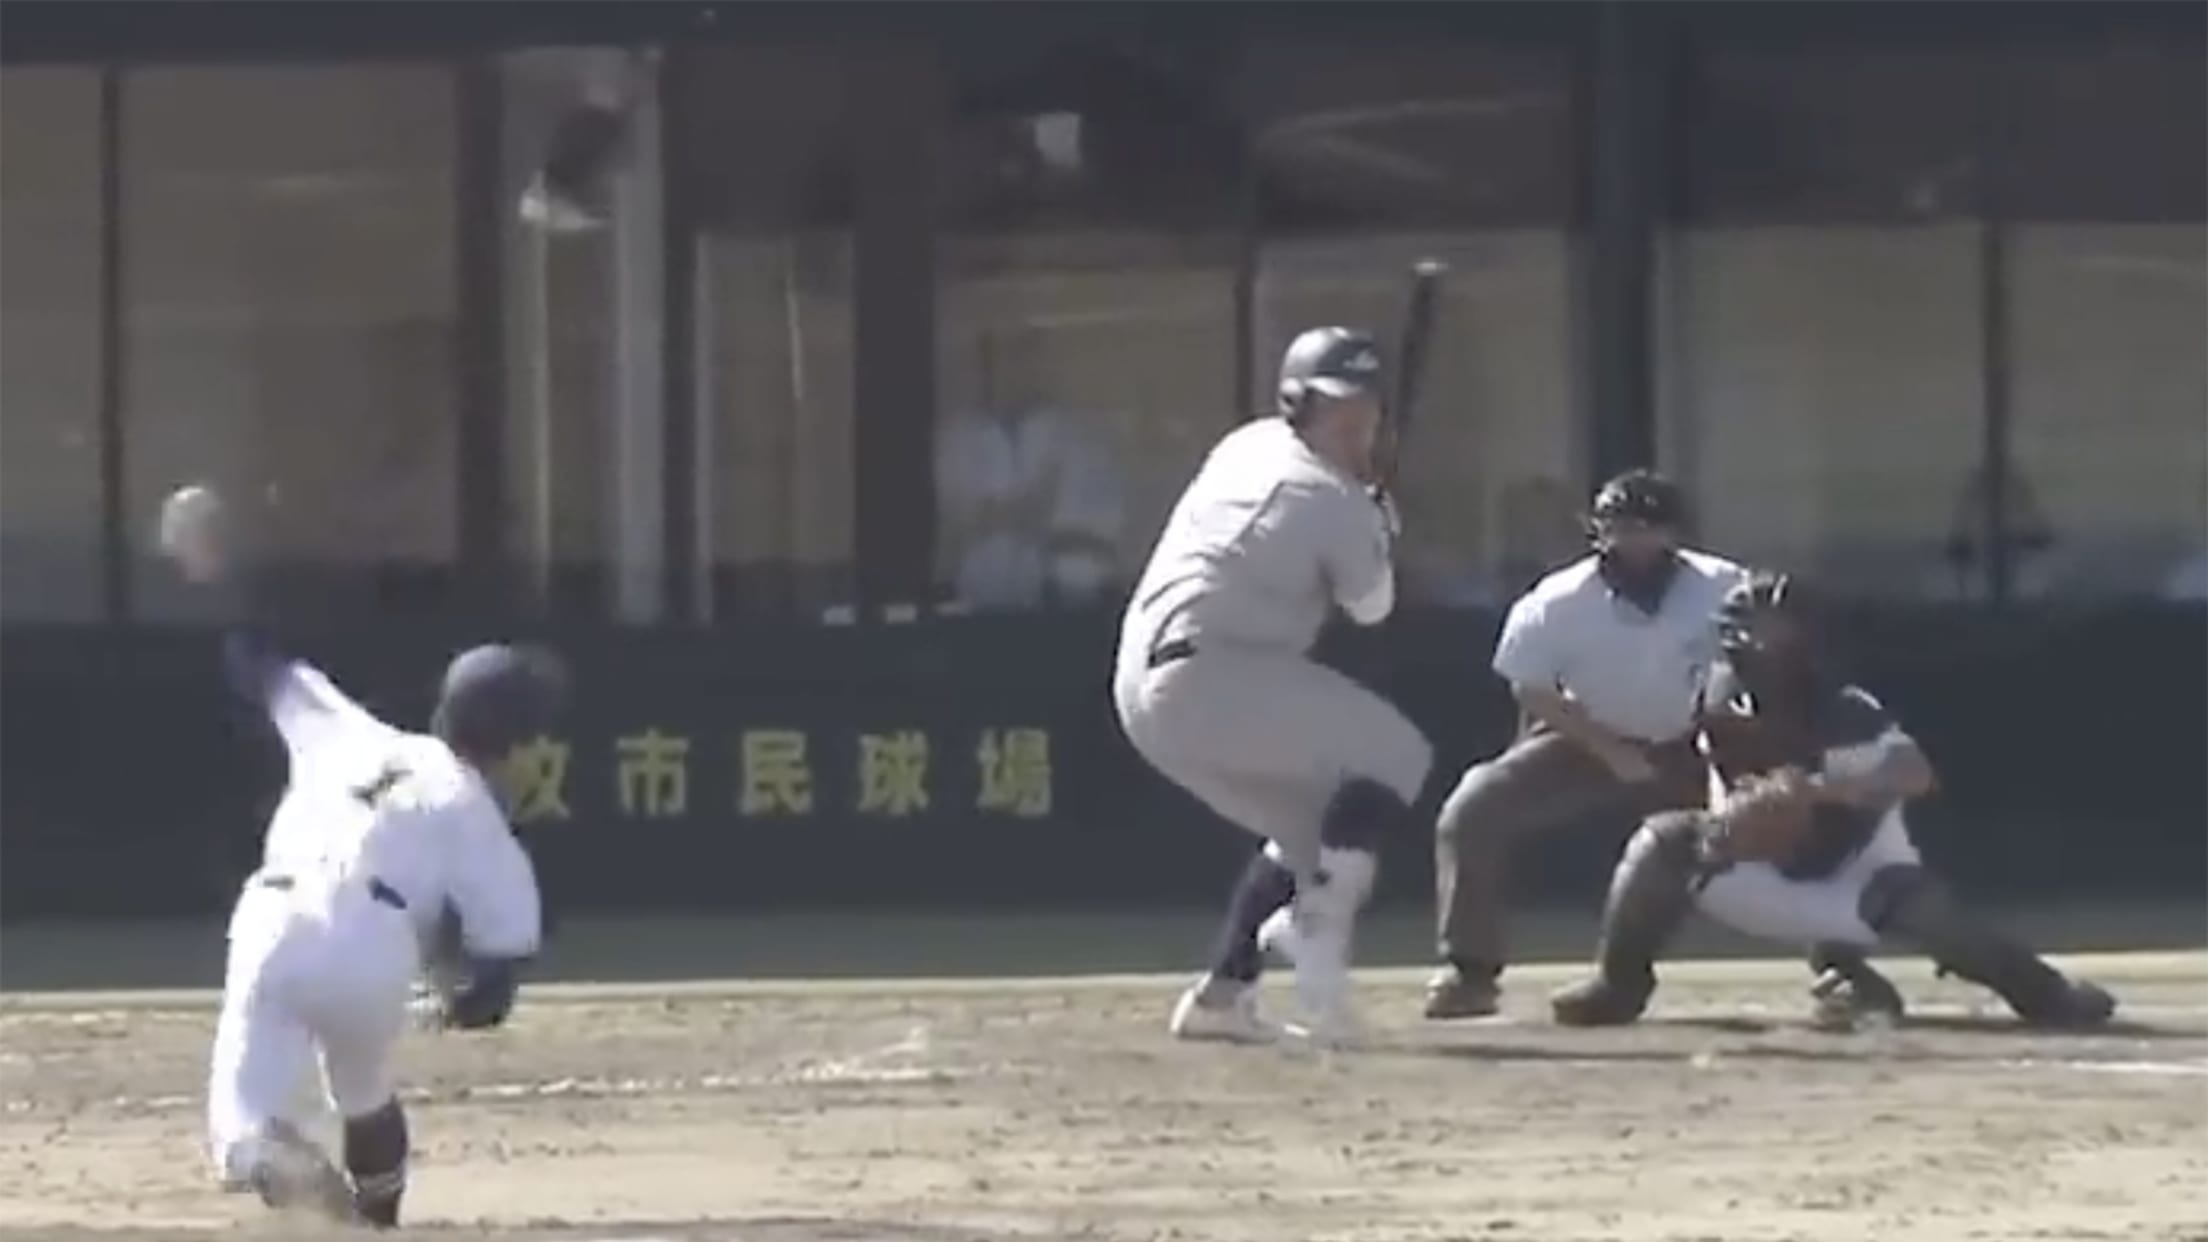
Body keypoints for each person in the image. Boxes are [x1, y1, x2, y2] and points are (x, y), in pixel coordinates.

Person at [158, 484, 564, 1227]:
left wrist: (211, 571)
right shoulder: (477, 815)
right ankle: (374, 1224)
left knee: (240, 1125)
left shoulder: (353, 733)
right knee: (365, 1089)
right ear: (511, 741)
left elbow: (256, 664)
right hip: (378, 949)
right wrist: (449, 1000)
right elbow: (492, 987)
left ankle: (277, 1162)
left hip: (279, 918)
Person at [1549, 570, 2117, 1031]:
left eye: (1785, 635)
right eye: (1761, 635)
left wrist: (1815, 791)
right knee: (1659, 841)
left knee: (1939, 919)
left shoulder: (1844, 708)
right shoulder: (1712, 698)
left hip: (1857, 875)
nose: (1774, 649)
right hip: (1747, 868)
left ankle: (2045, 993)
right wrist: (1740, 819)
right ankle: (1617, 985)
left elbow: (1914, 773)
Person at [1114, 327, 1432, 1047]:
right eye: (1338, 414)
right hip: (1210, 675)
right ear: (1298, 407)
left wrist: (1365, 513)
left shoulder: (1248, 444)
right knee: (1398, 756)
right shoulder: (1332, 499)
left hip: (1147, 685)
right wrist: (1378, 527)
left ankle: (1221, 997)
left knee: (1310, 833)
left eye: (1367, 416)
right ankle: (1318, 927)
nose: (1354, 431)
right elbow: (1372, 607)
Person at [1426, 470, 1746, 1019]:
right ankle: (1469, 970)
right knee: (1474, 807)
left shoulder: (1724, 586)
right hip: (1589, 737)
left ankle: (1840, 967)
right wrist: (1608, 750)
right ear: (1597, 533)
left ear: (1675, 533)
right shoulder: (1560, 599)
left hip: (1699, 742)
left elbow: (1768, 660)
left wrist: (1732, 738)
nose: (1634, 543)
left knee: (1788, 808)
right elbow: (1530, 685)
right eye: (1619, 529)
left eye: (1649, 530)